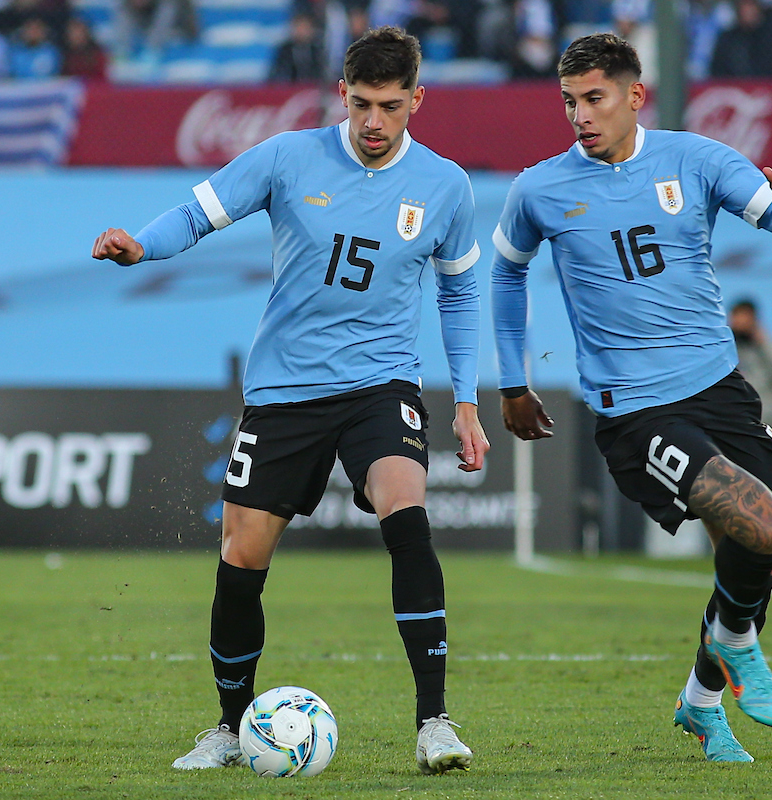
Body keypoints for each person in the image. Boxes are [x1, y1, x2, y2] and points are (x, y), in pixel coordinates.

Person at [92, 26, 487, 775]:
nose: (376, 122)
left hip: (381, 383)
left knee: (408, 514)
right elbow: (197, 213)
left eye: (392, 106)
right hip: (285, 389)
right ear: (342, 94)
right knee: (242, 559)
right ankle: (230, 728)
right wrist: (142, 245)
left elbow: (462, 293)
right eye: (364, 104)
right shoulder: (285, 158)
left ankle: (434, 721)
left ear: (417, 101)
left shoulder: (445, 185)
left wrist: (465, 402)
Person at [492, 33, 772, 763]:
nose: (579, 114)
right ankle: (739, 648)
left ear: (634, 96)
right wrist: (512, 382)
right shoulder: (540, 188)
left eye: (594, 98)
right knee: (761, 526)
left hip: (721, 393)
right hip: (636, 411)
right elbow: (505, 274)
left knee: (753, 550)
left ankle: (702, 703)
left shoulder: (698, 161)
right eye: (569, 100)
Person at [728, 298, 772, 434]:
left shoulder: (771, 348)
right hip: (731, 421)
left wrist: (763, 344)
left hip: (766, 420)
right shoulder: (725, 351)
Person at [710, 0, 772, 78]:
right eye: (744, 5)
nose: (748, 10)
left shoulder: (771, 38)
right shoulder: (726, 39)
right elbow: (718, 70)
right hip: (732, 87)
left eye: (751, 5)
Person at [269, 12, 326, 82]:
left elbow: (321, 73)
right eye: (299, 27)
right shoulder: (284, 50)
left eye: (305, 27)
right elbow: (277, 73)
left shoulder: (316, 50)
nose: (302, 31)